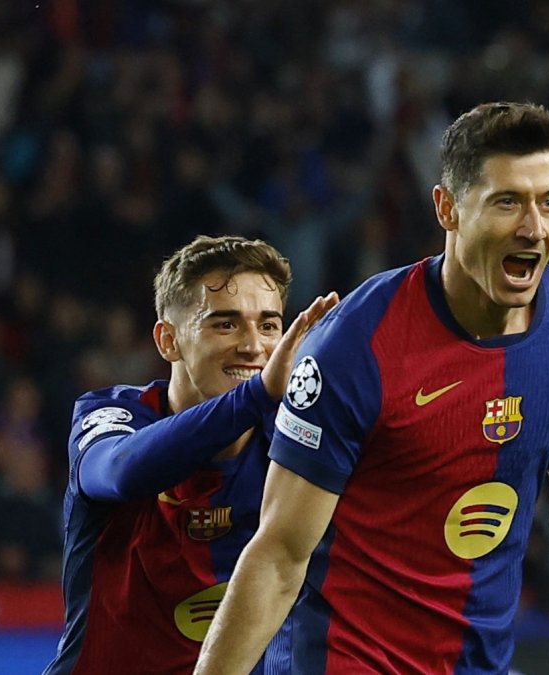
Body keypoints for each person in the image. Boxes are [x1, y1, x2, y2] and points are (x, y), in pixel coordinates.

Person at [195, 102, 549, 675]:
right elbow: (280, 554)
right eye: (507, 202)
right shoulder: (354, 346)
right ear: (448, 209)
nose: (533, 227)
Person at [43, 235, 338, 675]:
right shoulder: (112, 414)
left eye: (270, 325)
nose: (253, 346)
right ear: (168, 341)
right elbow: (122, 473)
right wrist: (256, 395)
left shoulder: (295, 442)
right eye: (226, 324)